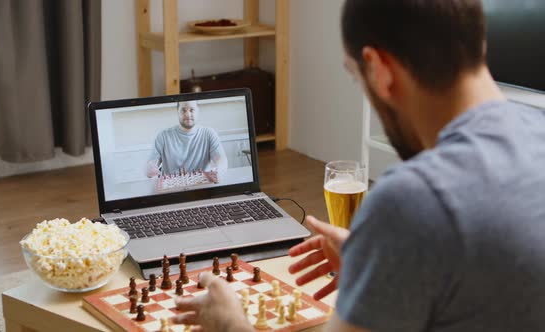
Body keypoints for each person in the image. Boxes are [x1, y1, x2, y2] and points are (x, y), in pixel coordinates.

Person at [172, 0, 545, 331]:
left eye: (356, 77)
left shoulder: (414, 201)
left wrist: (230, 323)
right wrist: (387, 259)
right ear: (478, 42)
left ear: (379, 69)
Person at [146, 100, 227, 183]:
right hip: (171, 190)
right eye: (183, 110)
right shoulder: (163, 136)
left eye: (192, 110)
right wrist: (150, 169)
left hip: (201, 187)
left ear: (198, 111)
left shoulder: (209, 133)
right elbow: (150, 165)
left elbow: (221, 159)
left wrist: (219, 171)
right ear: (177, 112)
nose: (188, 114)